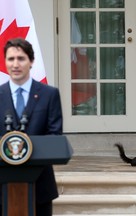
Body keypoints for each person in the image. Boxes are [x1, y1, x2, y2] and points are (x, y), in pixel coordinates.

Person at [0, 38, 62, 215]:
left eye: (21, 58)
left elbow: (55, 136)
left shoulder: (49, 95)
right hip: (2, 186)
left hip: (40, 186)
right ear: (5, 62)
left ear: (31, 61)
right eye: (11, 59)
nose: (16, 64)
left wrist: (28, 148)